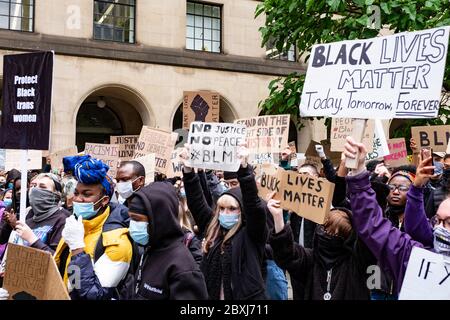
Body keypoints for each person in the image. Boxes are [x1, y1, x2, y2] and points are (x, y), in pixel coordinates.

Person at [344, 137, 450, 296]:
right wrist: (358, 171)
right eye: (438, 220)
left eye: (448, 222)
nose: (440, 228)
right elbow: (374, 226)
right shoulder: (415, 257)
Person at [181, 145, 268, 300]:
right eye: (221, 208)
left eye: (231, 209)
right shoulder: (213, 228)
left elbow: (254, 206)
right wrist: (188, 171)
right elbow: (197, 202)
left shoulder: (252, 234)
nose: (225, 213)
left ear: (242, 211)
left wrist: (244, 169)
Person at [54, 155, 132, 300]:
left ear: (104, 201)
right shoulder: (75, 226)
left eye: (87, 194)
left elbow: (94, 295)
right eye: (76, 193)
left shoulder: (117, 243)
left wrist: (77, 250)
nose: (78, 199)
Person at [268, 197, 375, 300]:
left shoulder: (356, 264)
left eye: (336, 234)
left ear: (348, 239)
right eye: (325, 229)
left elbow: (369, 241)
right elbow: (287, 253)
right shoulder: (310, 259)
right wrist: (278, 217)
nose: (328, 235)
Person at [128, 181, 208, 299]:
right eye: (131, 218)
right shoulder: (150, 249)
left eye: (138, 220)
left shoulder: (182, 267)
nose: (132, 225)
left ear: (159, 219)